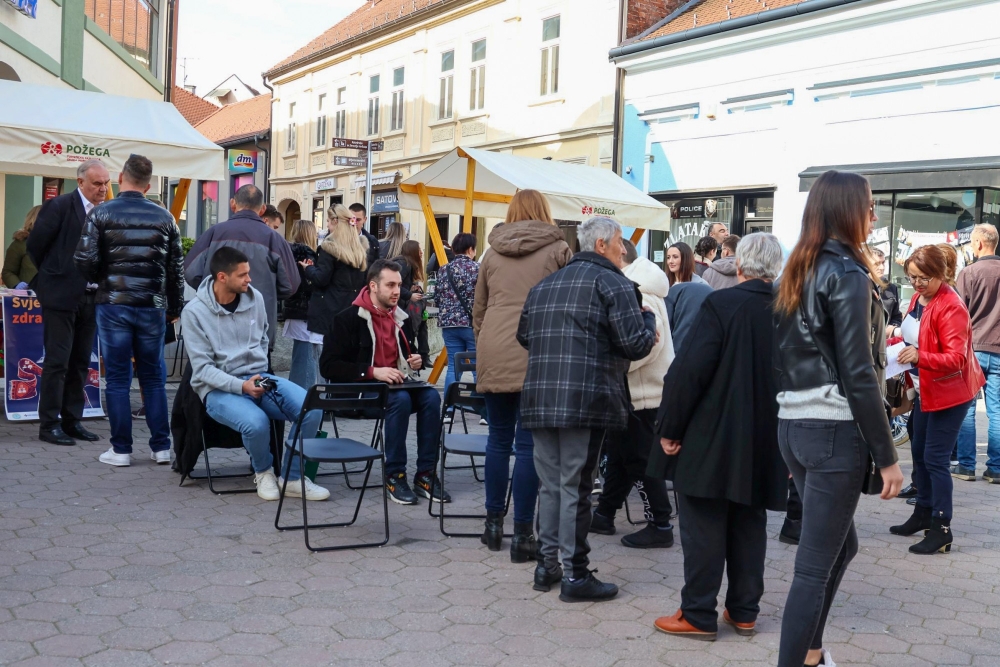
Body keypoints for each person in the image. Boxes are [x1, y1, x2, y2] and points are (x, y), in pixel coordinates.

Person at [774, 170, 904, 667]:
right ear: (848, 210)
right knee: (813, 567)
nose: (874, 215)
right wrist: (888, 456)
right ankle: (800, 658)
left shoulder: (799, 269)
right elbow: (857, 371)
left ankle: (810, 652)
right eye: (869, 206)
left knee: (840, 546)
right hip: (832, 430)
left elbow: (783, 358)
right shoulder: (845, 274)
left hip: (798, 426)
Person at [652, 233, 788, 640]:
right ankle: (744, 611)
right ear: (775, 267)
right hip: (766, 436)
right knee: (750, 521)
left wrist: (670, 427)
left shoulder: (722, 302)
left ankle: (697, 613)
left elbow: (690, 370)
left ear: (741, 265)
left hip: (713, 433)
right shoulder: (790, 311)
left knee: (704, 522)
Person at [517, 215, 656, 603]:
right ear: (601, 245)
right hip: (586, 398)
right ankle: (575, 574)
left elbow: (524, 335)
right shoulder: (614, 283)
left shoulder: (544, 285)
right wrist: (647, 322)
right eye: (619, 243)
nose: (623, 250)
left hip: (542, 397)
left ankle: (547, 567)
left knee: (552, 484)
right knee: (575, 486)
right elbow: (635, 344)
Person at [183, 247, 330, 501]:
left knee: (312, 408)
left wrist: (257, 373)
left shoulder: (256, 298)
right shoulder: (194, 312)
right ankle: (264, 472)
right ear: (222, 277)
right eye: (243, 275)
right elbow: (203, 369)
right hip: (218, 389)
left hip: (260, 377)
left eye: (248, 273)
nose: (249, 279)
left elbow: (263, 337)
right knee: (256, 423)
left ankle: (292, 478)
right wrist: (241, 386)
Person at [473, 189, 571, 562]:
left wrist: (486, 341)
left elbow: (479, 308)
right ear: (545, 210)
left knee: (497, 439)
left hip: (495, 347)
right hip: (537, 349)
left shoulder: (492, 251)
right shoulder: (558, 250)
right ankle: (524, 534)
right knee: (529, 445)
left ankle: (493, 525)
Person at [73, 154, 184, 466]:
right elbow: (176, 268)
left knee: (119, 378)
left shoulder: (101, 213)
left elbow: (83, 259)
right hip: (151, 306)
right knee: (153, 378)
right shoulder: (165, 217)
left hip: (113, 304)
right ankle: (162, 447)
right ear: (148, 185)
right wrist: (174, 307)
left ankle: (121, 449)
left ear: (120, 177)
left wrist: (102, 279)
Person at [320, 259, 449, 506]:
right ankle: (395, 475)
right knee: (399, 399)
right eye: (390, 285)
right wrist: (372, 372)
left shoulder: (399, 318)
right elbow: (327, 366)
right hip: (360, 392)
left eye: (399, 285)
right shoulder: (346, 319)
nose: (397, 291)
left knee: (432, 397)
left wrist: (415, 361)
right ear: (373, 286)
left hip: (395, 387)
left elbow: (406, 356)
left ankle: (425, 474)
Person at [890, 245, 984, 554]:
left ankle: (942, 527)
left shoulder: (951, 305)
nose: (915, 284)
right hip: (926, 387)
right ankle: (922, 514)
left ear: (940, 274)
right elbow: (913, 334)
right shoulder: (920, 297)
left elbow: (956, 358)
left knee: (935, 459)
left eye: (922, 278)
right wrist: (892, 344)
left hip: (950, 393)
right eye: (911, 277)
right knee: (918, 450)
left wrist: (919, 355)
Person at [591, 239, 676, 549]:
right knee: (621, 457)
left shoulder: (639, 291)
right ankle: (604, 513)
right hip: (637, 391)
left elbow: (646, 345)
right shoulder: (638, 286)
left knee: (641, 459)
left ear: (620, 254)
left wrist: (614, 365)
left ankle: (661, 524)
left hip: (643, 392)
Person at [27, 159, 110, 446]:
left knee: (80, 362)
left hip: (91, 296)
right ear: (81, 182)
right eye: (97, 183)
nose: (103, 188)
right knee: (57, 361)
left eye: (106, 183)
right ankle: (49, 424)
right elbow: (35, 245)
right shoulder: (60, 206)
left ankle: (72, 420)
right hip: (61, 295)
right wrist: (53, 275)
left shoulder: (105, 212)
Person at [184, 184, 299, 359]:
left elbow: (191, 271)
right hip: (257, 327)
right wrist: (266, 294)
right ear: (262, 209)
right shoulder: (274, 239)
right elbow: (290, 285)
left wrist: (213, 290)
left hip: (214, 323)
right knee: (256, 381)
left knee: (211, 378)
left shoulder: (214, 233)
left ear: (233, 204)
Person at [955, 223, 1000, 483]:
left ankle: (966, 466)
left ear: (979, 244)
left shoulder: (969, 273)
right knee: (997, 411)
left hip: (973, 350)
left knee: (967, 409)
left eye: (972, 243)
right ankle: (995, 469)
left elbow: (958, 315)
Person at [302, 204, 372, 340]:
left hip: (329, 311)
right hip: (352, 310)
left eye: (327, 221)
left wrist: (308, 269)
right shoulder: (360, 249)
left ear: (335, 221)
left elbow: (321, 279)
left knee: (323, 357)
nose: (327, 225)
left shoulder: (329, 248)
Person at [435, 232, 479, 400]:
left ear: (453, 249)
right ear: (470, 249)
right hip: (471, 324)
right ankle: (481, 409)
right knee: (476, 366)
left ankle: (449, 408)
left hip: (449, 325)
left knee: (453, 366)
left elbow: (437, 297)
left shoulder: (444, 269)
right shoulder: (478, 268)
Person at [283, 219, 323, 390]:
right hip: (306, 311)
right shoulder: (307, 254)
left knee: (300, 358)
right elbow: (311, 284)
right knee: (306, 361)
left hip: (294, 308)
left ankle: (294, 398)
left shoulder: (288, 252)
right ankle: (302, 405)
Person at [392, 240, 430, 369]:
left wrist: (411, 288)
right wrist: (410, 295)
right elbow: (396, 285)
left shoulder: (404, 263)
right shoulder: (405, 264)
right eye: (419, 249)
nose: (421, 252)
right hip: (399, 308)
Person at [3, 205, 40, 288]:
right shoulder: (21, 243)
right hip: (28, 297)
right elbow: (8, 271)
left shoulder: (58, 242)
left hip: (53, 296)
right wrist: (16, 284)